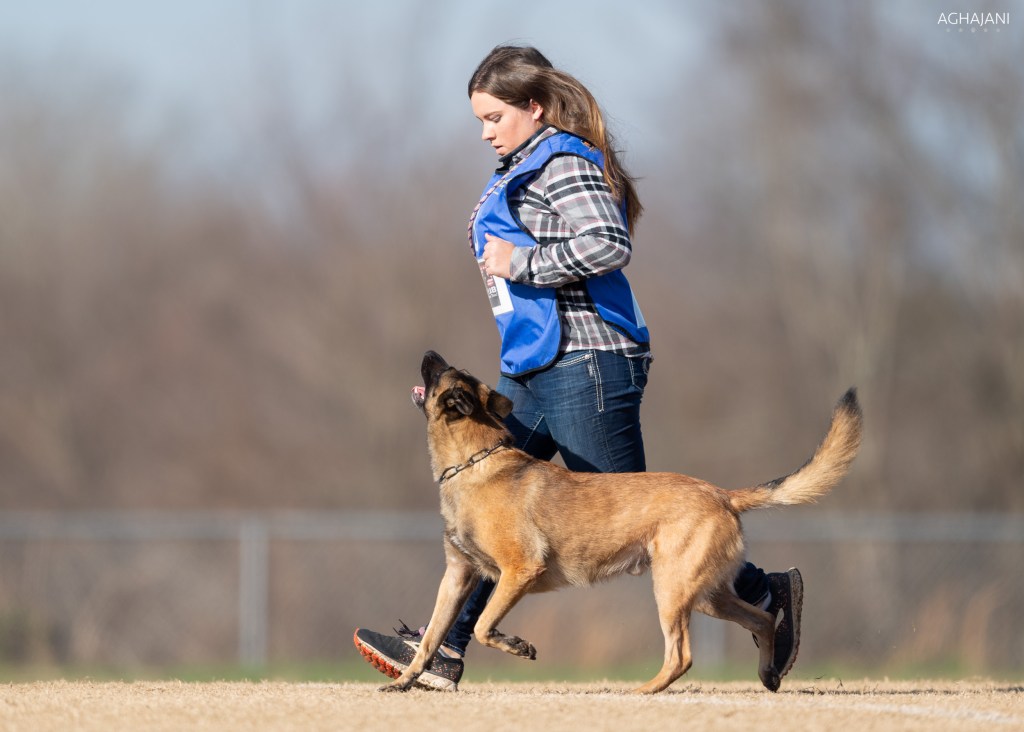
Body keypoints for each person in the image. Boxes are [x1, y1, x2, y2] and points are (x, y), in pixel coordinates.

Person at [354, 44, 802, 691]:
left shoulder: (562, 162)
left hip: (587, 358)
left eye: (493, 118)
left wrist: (522, 264)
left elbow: (609, 243)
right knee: (487, 507)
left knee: (624, 508)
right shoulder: (520, 165)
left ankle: (765, 595)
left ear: (533, 107)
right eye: (479, 121)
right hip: (533, 364)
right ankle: (445, 651)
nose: (484, 133)